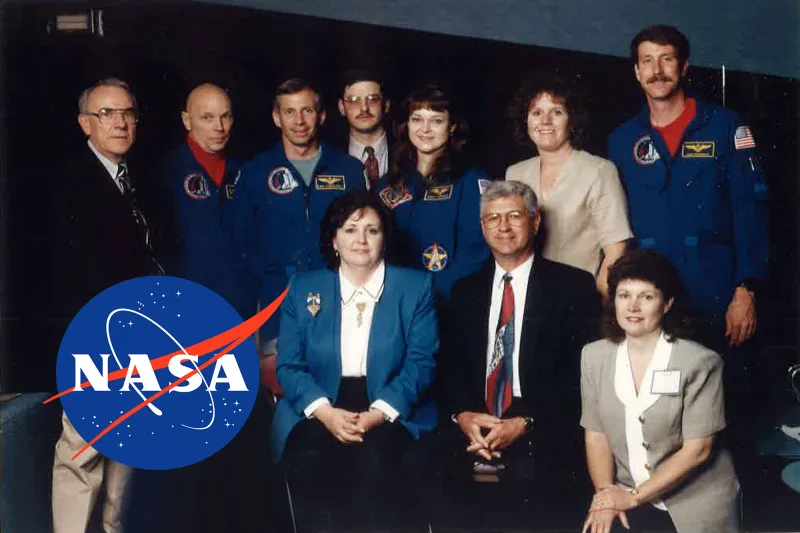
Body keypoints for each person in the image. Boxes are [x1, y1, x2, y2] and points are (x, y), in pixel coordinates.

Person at [271, 191, 438, 531]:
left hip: (388, 404)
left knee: (376, 461)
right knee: (309, 457)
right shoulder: (304, 288)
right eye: (349, 230)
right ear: (333, 240)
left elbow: (421, 363)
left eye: (372, 230)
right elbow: (289, 365)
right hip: (322, 402)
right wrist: (327, 414)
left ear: (384, 238)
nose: (361, 240)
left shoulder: (415, 286)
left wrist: (377, 415)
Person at [439, 180, 600, 524]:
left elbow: (580, 378)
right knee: (426, 465)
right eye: (493, 219)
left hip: (541, 420)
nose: (504, 226)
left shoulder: (573, 286)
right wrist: (462, 416)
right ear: (482, 227)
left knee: (529, 480)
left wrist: (525, 422)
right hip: (477, 418)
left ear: (535, 222)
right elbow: (448, 368)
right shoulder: (464, 291)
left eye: (514, 216)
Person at [608, 25, 768, 352]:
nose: (657, 71)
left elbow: (750, 210)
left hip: (716, 294)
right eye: (648, 61)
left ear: (684, 67)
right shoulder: (622, 140)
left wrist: (746, 289)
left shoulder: (724, 126)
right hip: (651, 300)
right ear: (637, 72)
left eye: (667, 59)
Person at [51, 78, 162, 533]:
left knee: (126, 451)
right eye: (106, 114)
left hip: (140, 338)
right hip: (93, 336)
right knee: (83, 453)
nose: (119, 122)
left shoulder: (137, 180)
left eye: (128, 113)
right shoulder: (69, 184)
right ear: (84, 124)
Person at [580, 250, 741, 533]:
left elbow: (699, 450)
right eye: (624, 295)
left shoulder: (699, 362)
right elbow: (596, 435)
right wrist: (607, 496)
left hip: (695, 504)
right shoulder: (593, 357)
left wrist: (631, 497)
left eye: (646, 296)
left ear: (667, 304)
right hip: (627, 497)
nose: (633, 306)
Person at [237, 79, 366, 359]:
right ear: (276, 117)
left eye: (307, 111)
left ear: (321, 115)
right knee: (280, 388)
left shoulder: (348, 170)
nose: (299, 121)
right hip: (276, 303)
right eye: (289, 112)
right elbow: (242, 246)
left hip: (337, 298)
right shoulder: (255, 173)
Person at [506, 73, 632, 297]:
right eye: (536, 113)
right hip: (525, 298)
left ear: (572, 120)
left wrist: (596, 305)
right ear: (525, 120)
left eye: (556, 112)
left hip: (578, 299)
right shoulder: (515, 173)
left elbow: (615, 251)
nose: (545, 121)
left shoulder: (599, 171)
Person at [377, 85, 490, 306]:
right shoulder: (388, 183)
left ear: (452, 126)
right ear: (406, 125)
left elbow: (476, 252)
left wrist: (431, 296)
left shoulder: (470, 180)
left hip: (449, 302)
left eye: (436, 120)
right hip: (393, 300)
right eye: (417, 119)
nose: (425, 129)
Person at [158, 83, 256, 320]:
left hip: (242, 308)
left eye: (225, 117)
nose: (219, 127)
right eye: (207, 118)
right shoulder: (166, 172)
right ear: (187, 120)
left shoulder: (246, 170)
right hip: (187, 309)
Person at [338, 69, 391, 189]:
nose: (364, 108)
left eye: (373, 99)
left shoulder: (408, 151)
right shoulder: (329, 156)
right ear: (341, 107)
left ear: (386, 105)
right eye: (353, 101)